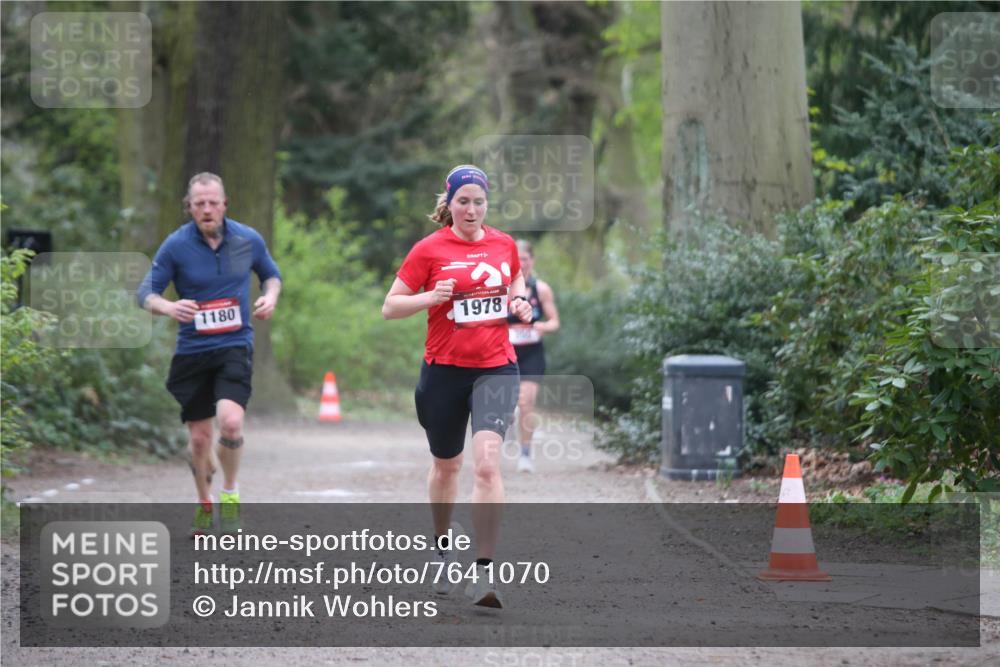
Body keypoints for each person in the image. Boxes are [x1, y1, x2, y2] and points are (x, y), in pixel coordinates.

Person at [382, 165, 532, 608]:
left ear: (487, 204)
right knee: (447, 467)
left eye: (478, 202)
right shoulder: (429, 249)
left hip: (496, 368)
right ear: (449, 204)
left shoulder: (503, 244)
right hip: (443, 372)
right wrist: (430, 298)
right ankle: (443, 550)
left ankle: (484, 573)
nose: (471, 209)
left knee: (486, 466)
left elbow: (515, 277)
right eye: (463, 201)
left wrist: (518, 299)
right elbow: (390, 307)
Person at [137, 172, 281, 536]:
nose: (206, 209)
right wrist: (169, 307)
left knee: (230, 423)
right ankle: (204, 501)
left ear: (224, 204)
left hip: (235, 345)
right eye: (199, 203)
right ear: (189, 207)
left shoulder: (247, 239)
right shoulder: (176, 246)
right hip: (193, 351)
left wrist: (270, 297)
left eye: (213, 202)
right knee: (200, 439)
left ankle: (230, 494)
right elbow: (146, 293)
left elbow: (271, 275)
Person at [507, 239, 560, 473]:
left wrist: (542, 326)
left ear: (532, 260)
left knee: (526, 403)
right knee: (507, 404)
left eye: (525, 259)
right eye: (516, 259)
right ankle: (509, 420)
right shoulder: (501, 289)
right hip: (505, 353)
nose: (521, 263)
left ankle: (525, 455)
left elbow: (555, 321)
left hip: (532, 354)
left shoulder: (542, 289)